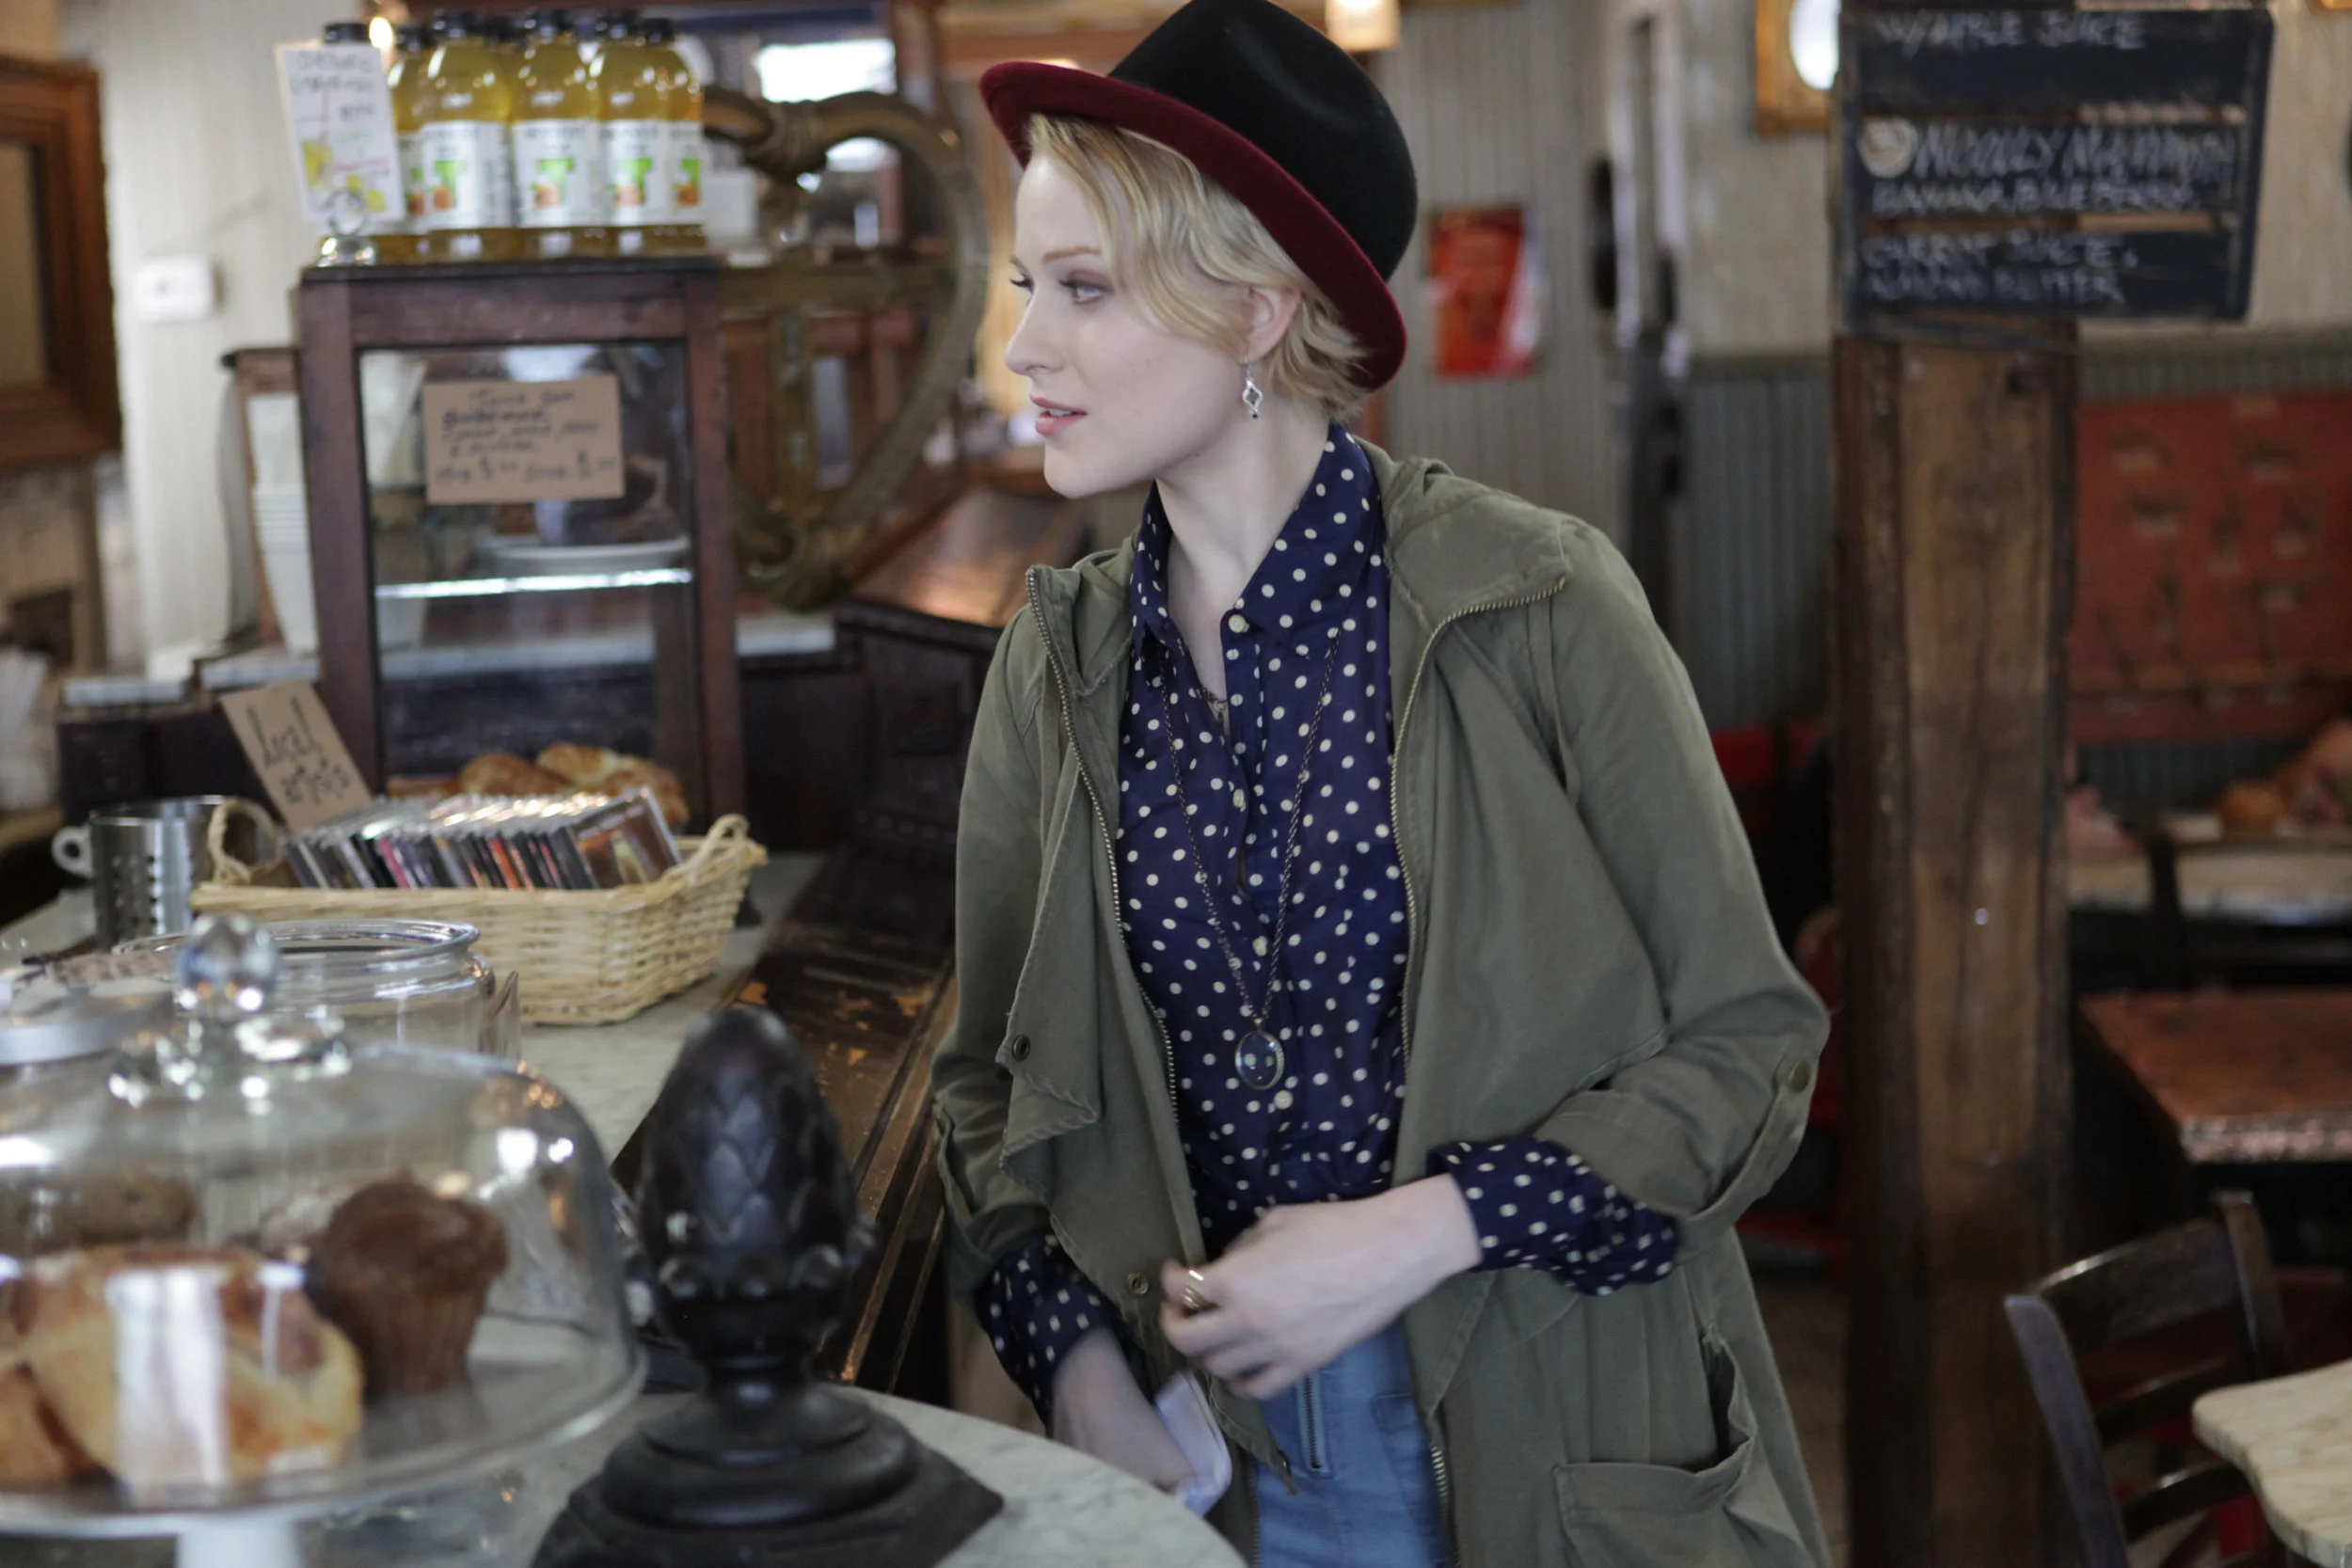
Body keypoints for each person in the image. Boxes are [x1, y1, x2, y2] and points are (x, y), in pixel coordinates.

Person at [930, 2, 1832, 1563]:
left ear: (1260, 312)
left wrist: (1418, 1232)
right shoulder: (1058, 663)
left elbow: (1752, 1048)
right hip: (1210, 1463)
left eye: (1083, 290)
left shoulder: (1541, 603)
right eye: (1030, 287)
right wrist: (1082, 1377)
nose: (1027, 346)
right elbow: (984, 1091)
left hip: (1552, 1430)